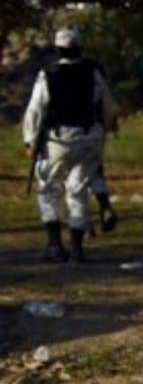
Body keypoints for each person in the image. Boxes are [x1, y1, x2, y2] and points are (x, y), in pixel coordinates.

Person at [22, 27, 118, 263]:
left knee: (47, 190)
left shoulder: (49, 73)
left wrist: (30, 140)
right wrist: (106, 126)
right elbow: (106, 104)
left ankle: (55, 244)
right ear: (80, 48)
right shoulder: (92, 71)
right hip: (88, 139)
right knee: (78, 190)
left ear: (58, 49)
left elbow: (35, 110)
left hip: (56, 141)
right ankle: (77, 249)